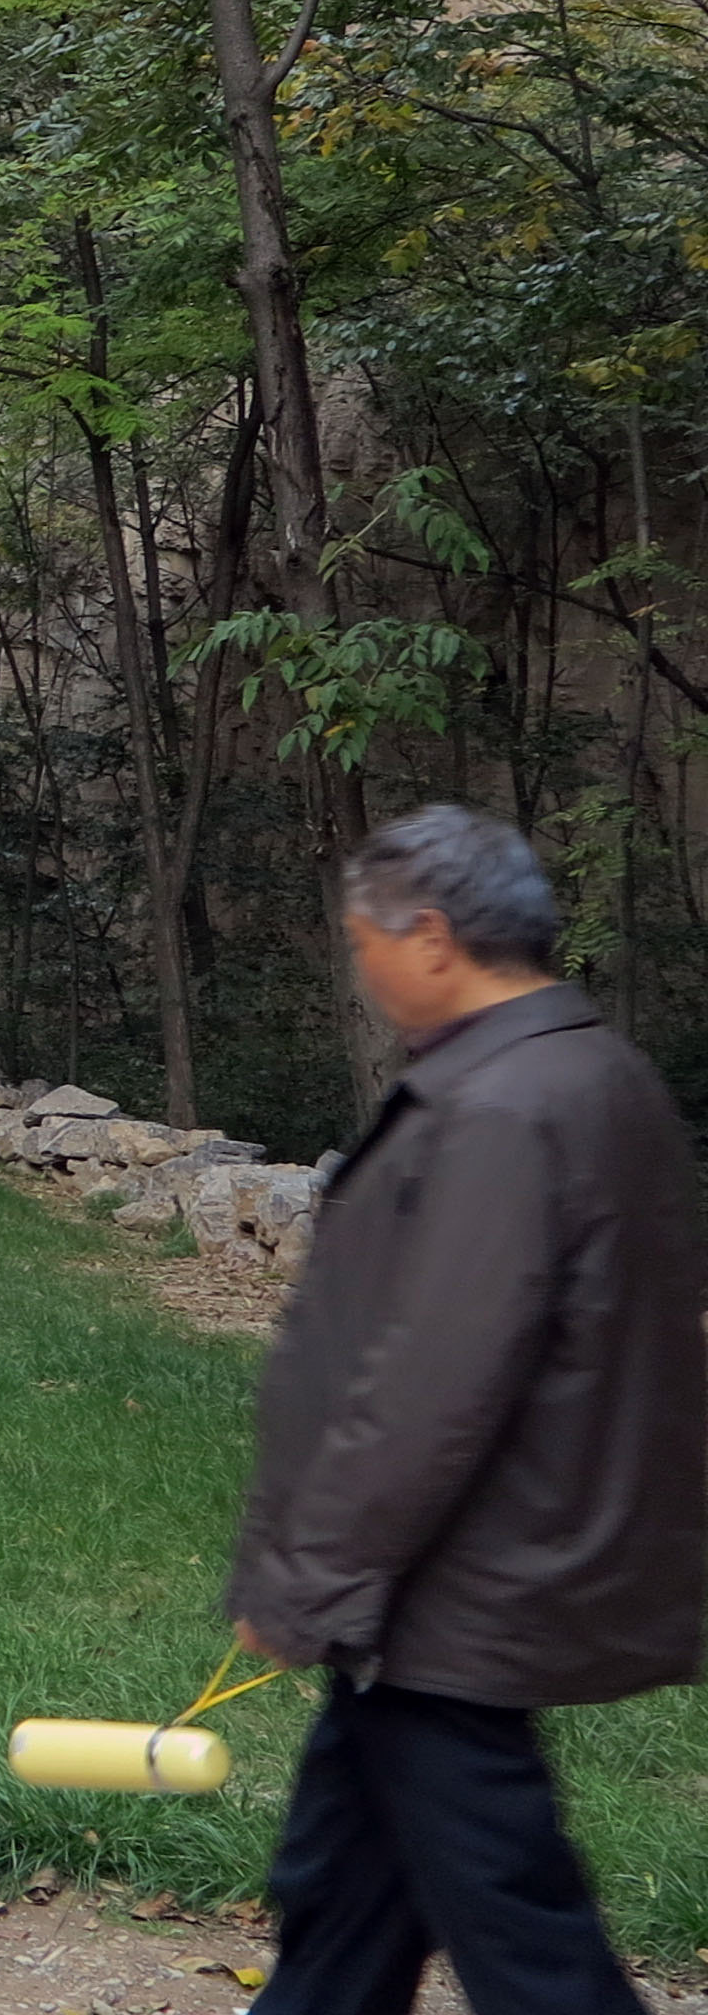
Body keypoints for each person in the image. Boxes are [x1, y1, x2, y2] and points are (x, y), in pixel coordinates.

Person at [228, 805, 701, 2015]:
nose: (361, 966)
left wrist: (307, 1583)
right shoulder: (591, 1071)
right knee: (341, 1896)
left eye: (362, 941)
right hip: (457, 1588)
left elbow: (428, 1390)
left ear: (429, 936)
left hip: (450, 1593)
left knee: (519, 1932)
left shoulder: (499, 1110)